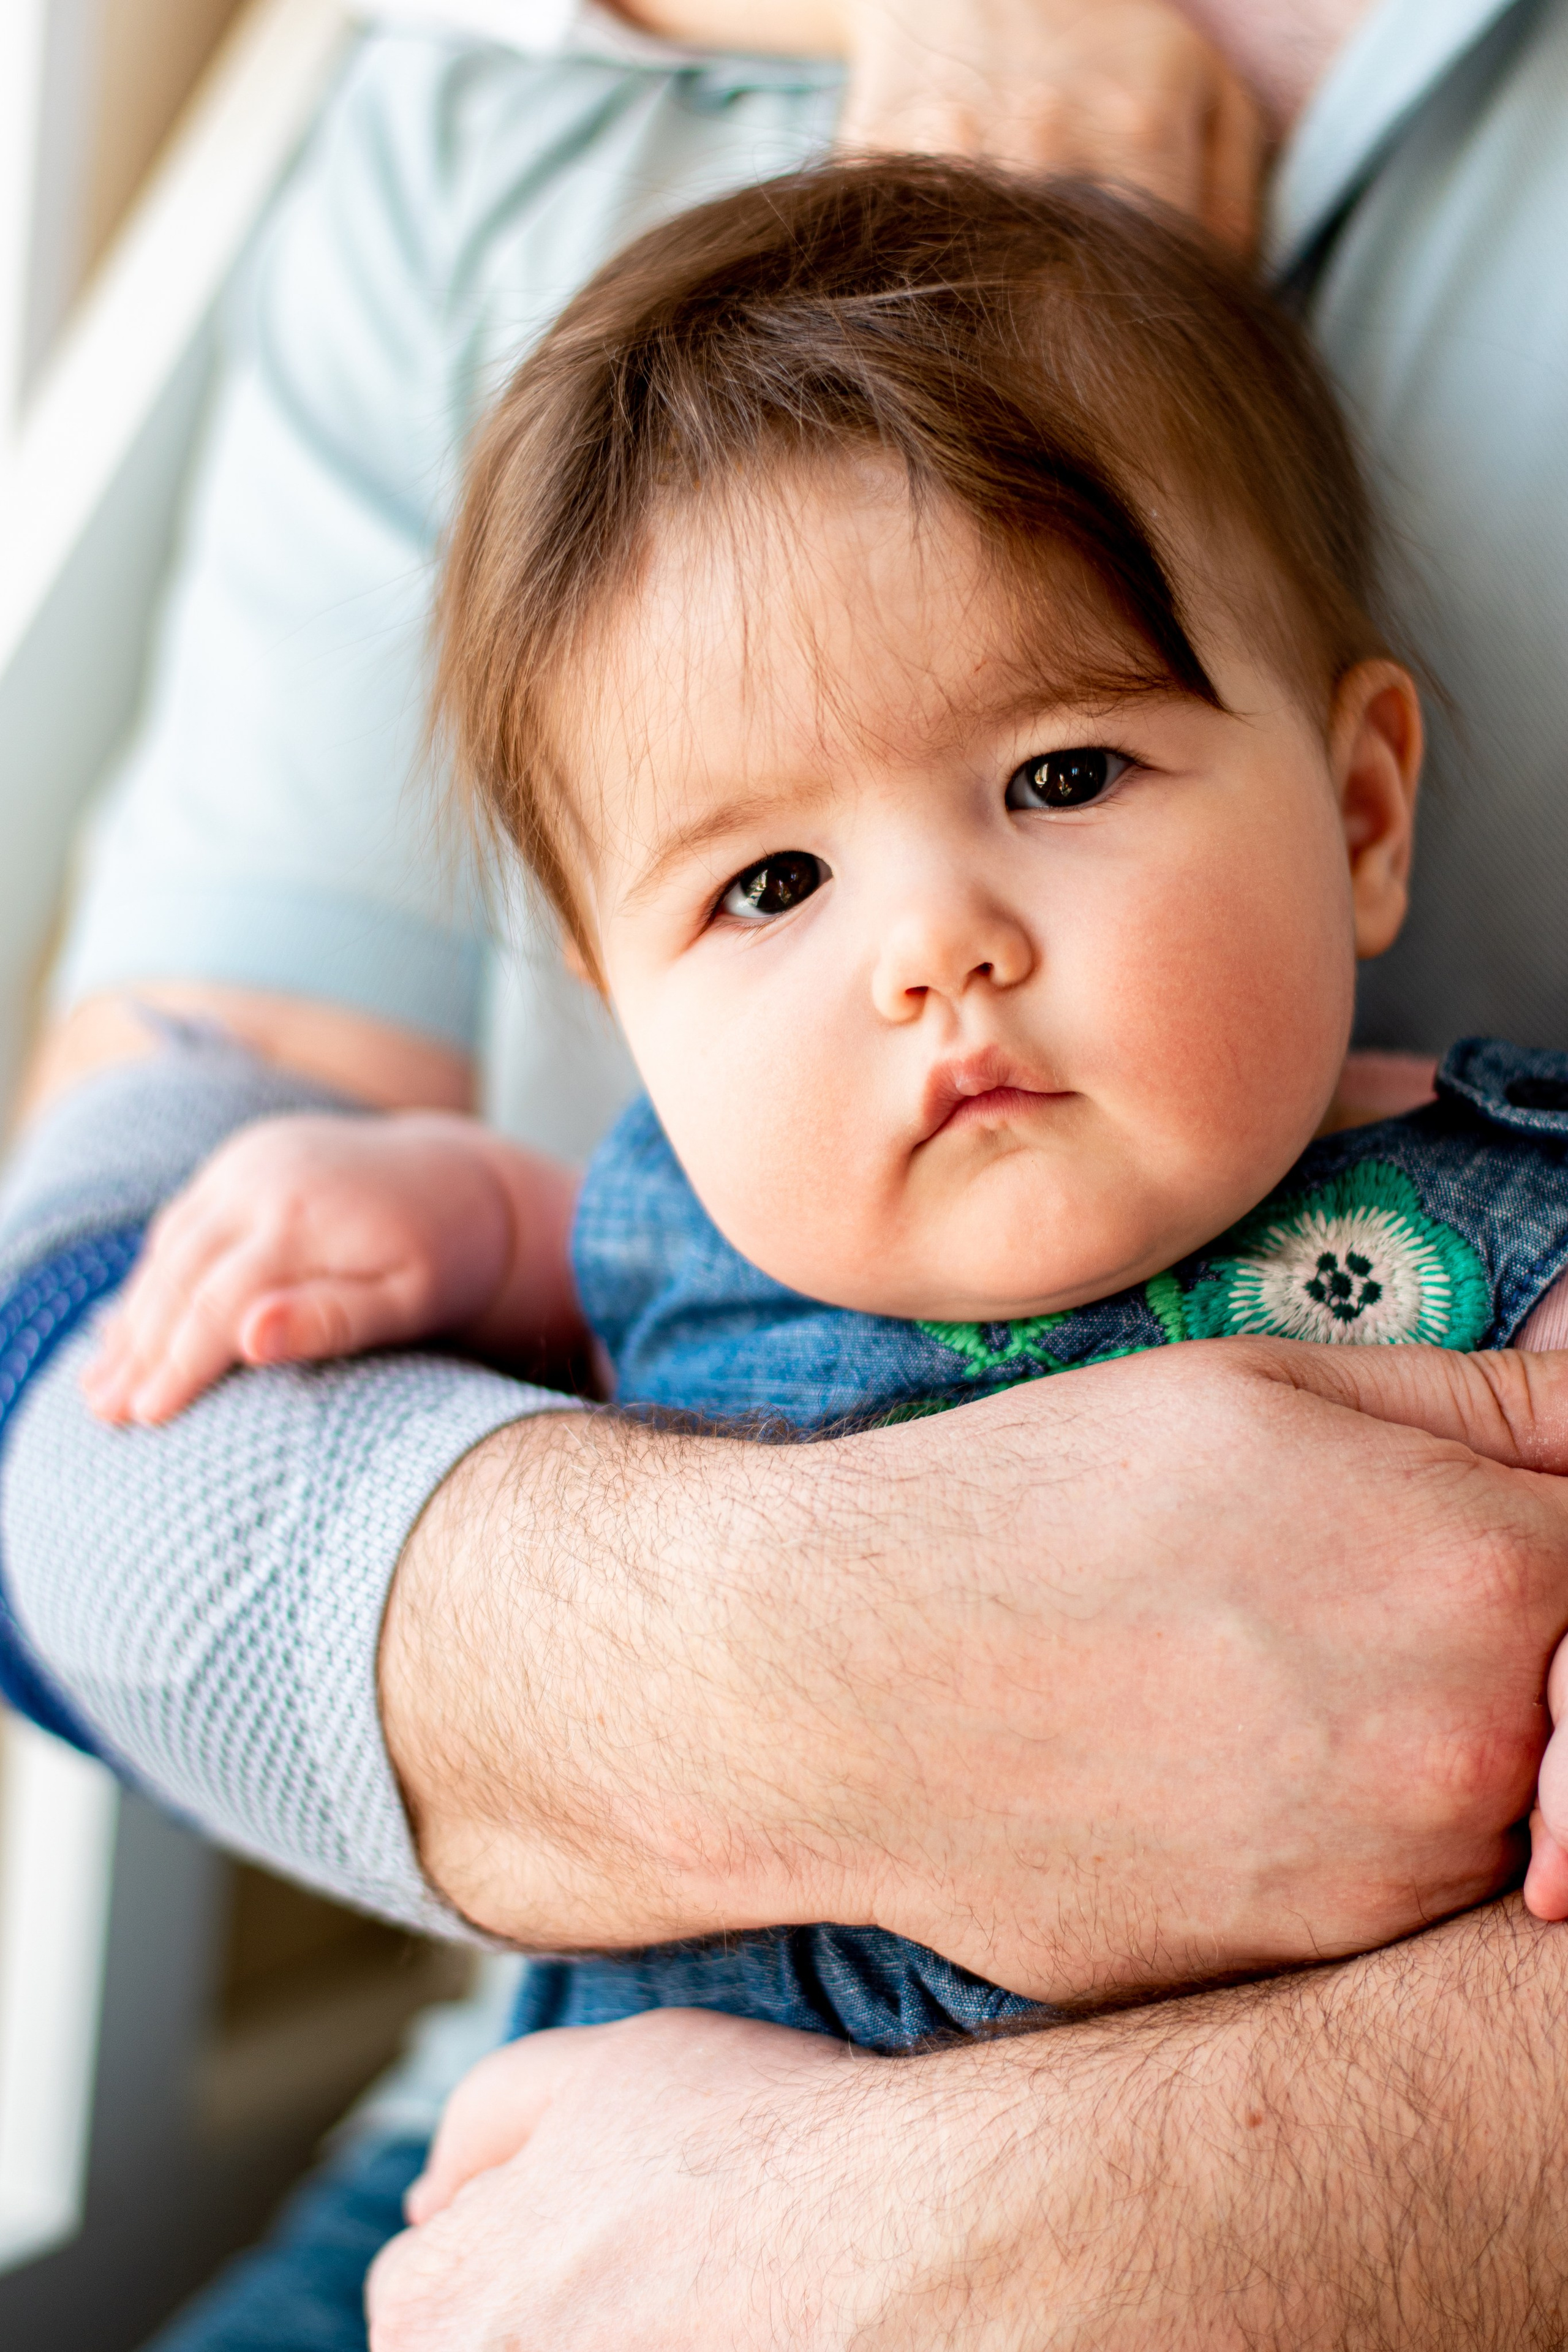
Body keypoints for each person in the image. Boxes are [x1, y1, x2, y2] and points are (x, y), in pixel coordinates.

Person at [4, 2, 1568, 2346]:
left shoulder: (1489, 1215)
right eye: (767, 891)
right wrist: (432, 1210)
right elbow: (135, 1359)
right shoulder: (488, 87)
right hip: (555, 2209)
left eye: (1058, 778)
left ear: (1362, 813)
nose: (934, 950)